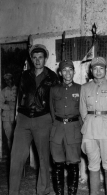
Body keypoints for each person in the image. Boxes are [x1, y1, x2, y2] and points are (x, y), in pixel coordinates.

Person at [9, 44, 58, 195]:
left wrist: (54, 121)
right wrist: (16, 116)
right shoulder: (24, 75)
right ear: (31, 59)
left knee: (43, 158)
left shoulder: (52, 77)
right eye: (35, 58)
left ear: (45, 59)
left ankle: (43, 191)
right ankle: (13, 191)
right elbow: (19, 96)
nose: (37, 61)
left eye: (40, 58)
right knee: (16, 158)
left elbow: (54, 100)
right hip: (23, 119)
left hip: (43, 119)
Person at [79, 57, 107, 195]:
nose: (98, 71)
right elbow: (83, 110)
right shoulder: (84, 88)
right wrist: (89, 122)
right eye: (95, 68)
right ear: (91, 70)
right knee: (93, 165)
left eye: (101, 68)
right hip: (89, 131)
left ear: (105, 70)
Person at [50, 60, 82, 195]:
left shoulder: (80, 89)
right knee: (58, 164)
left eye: (70, 70)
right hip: (57, 130)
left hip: (74, 130)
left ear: (74, 71)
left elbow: (82, 111)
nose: (67, 73)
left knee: (73, 164)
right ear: (60, 72)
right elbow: (51, 110)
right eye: (64, 70)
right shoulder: (53, 89)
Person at [0, 73, 17, 151]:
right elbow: (0, 103)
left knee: (17, 136)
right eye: (6, 80)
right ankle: (11, 155)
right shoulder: (3, 91)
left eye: (9, 79)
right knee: (9, 137)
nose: (8, 81)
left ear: (13, 79)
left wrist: (14, 106)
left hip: (16, 116)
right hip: (6, 116)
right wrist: (9, 106)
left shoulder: (18, 89)